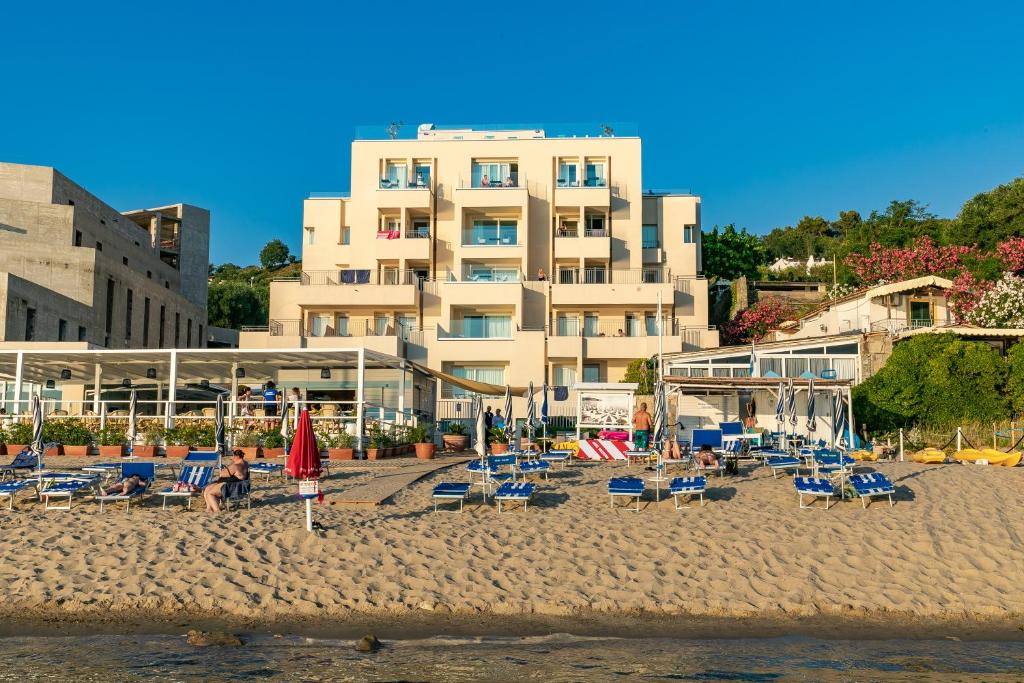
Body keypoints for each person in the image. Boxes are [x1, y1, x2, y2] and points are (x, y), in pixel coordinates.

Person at [203, 450, 250, 514]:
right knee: (208, 488)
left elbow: (222, 474)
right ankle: (209, 508)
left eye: (233, 456)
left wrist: (230, 465)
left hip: (231, 486)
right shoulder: (245, 463)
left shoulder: (236, 466)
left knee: (210, 493)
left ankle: (217, 510)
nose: (232, 458)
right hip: (240, 484)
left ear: (237, 456)